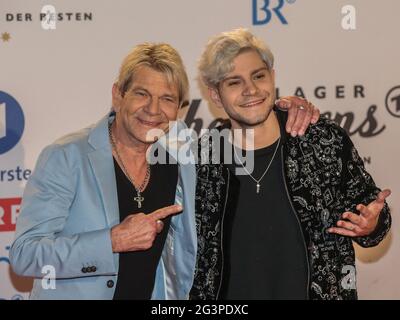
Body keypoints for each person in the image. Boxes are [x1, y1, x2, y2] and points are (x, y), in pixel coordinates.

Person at [9, 42, 316, 300]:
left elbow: (254, 139)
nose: (153, 109)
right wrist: (112, 241)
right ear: (118, 95)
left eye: (167, 99)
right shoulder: (67, 157)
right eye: (142, 93)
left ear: (178, 109)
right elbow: (24, 256)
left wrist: (284, 108)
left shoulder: (183, 159)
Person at [189, 28, 391, 300]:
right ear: (215, 95)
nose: (251, 90)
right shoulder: (201, 160)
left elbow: (371, 215)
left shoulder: (322, 140)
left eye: (258, 76)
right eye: (234, 82)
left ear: (272, 76)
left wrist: (372, 224)